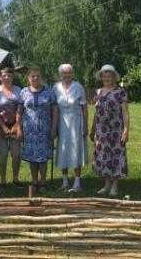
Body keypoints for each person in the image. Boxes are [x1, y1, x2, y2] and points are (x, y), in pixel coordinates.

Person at [90, 64, 130, 197]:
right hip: (101, 131)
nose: (107, 78)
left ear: (114, 77)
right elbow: (97, 113)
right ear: (101, 77)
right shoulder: (98, 92)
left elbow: (125, 112)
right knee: (103, 156)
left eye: (109, 76)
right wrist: (93, 130)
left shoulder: (120, 92)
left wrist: (126, 130)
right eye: (104, 76)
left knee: (116, 156)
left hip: (116, 130)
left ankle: (115, 186)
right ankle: (106, 185)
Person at [17, 67, 58, 192]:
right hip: (29, 130)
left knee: (43, 157)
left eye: (38, 76)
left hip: (44, 130)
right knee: (32, 157)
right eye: (32, 76)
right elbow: (19, 111)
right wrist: (19, 128)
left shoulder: (49, 92)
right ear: (28, 78)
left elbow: (55, 112)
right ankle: (34, 181)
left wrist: (53, 128)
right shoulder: (23, 92)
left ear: (41, 78)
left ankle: (43, 181)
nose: (35, 78)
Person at [53, 64, 88, 192]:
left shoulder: (78, 87)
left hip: (76, 121)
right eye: (64, 73)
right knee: (63, 149)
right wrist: (54, 126)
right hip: (61, 121)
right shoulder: (55, 87)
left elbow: (84, 108)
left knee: (76, 149)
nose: (67, 75)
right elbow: (54, 107)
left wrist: (85, 125)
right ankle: (65, 181)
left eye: (69, 73)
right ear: (60, 74)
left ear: (72, 74)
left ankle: (77, 182)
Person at [0, 67, 23, 186]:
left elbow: (20, 108)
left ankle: (15, 178)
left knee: (16, 154)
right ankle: (3, 180)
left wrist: (17, 125)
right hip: (0, 127)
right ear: (0, 77)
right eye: (4, 75)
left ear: (12, 77)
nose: (7, 77)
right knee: (3, 154)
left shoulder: (19, 90)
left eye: (9, 75)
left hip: (15, 126)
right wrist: (3, 127)